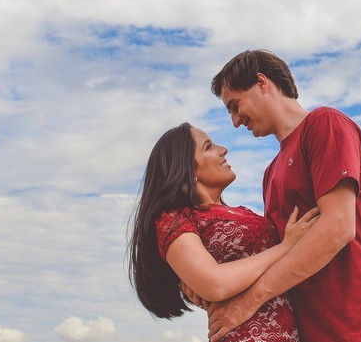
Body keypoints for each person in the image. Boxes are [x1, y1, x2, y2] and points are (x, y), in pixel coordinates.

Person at [202, 50, 361, 342]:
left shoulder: (325, 124)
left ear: (261, 83)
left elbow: (338, 227)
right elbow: (278, 252)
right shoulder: (270, 174)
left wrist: (251, 299)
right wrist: (202, 280)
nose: (234, 121)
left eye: (235, 105)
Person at [128, 122, 320, 342]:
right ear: (187, 169)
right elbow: (215, 284)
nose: (223, 150)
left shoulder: (244, 213)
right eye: (209, 146)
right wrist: (285, 247)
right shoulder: (174, 218)